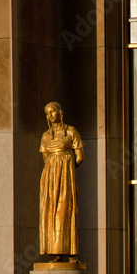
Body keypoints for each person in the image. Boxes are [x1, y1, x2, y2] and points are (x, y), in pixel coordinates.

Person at [39, 101, 85, 259]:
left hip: (66, 177)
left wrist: (66, 169)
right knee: (51, 213)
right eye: (47, 113)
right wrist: (55, 170)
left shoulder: (71, 131)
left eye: (52, 112)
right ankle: (56, 251)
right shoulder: (46, 136)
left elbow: (80, 157)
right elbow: (47, 160)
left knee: (66, 211)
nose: (49, 116)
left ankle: (71, 252)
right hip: (50, 179)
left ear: (60, 112)